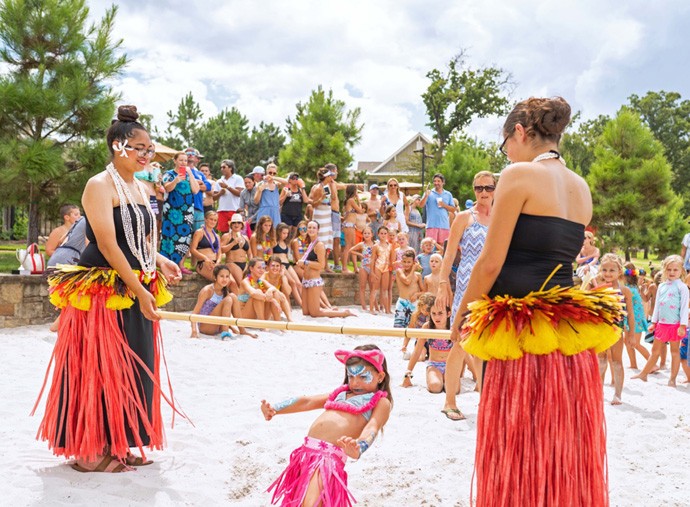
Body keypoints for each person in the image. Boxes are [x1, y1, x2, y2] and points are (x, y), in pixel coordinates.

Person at [454, 97, 623, 505]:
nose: (505, 156)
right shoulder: (580, 187)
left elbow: (490, 263)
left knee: (515, 450)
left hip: (521, 334)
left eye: (505, 145)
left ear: (519, 133)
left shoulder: (518, 174)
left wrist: (461, 317)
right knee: (562, 451)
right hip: (567, 332)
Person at [34, 105, 182, 473]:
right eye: (141, 148)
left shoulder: (141, 186)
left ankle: (119, 441)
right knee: (100, 366)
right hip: (104, 285)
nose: (148, 155)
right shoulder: (98, 185)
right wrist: (139, 287)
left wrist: (159, 260)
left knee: (133, 363)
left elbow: (139, 239)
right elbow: (109, 242)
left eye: (150, 149)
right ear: (119, 145)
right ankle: (89, 451)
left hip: (136, 282)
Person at [263, 345, 392, 507]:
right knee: (299, 502)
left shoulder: (380, 402)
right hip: (305, 454)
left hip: (328, 458)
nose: (355, 382)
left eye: (363, 377)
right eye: (351, 376)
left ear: (380, 377)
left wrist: (359, 446)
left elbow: (372, 426)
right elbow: (307, 401)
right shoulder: (340, 394)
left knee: (311, 503)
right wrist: (275, 409)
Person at [436, 170, 494, 419]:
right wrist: (442, 283)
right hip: (467, 286)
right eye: (478, 188)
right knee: (460, 342)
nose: (483, 193)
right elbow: (449, 254)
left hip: (494, 287)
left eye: (488, 188)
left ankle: (486, 400)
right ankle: (450, 401)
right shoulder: (463, 217)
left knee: (487, 346)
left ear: (495, 189)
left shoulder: (502, 216)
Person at [633, 254, 689, 387]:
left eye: (675, 270)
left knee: (674, 352)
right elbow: (657, 305)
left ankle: (672, 379)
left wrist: (682, 325)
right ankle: (644, 374)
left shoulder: (682, 288)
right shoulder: (662, 286)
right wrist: (653, 322)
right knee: (655, 350)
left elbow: (684, 308)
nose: (672, 272)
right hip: (661, 324)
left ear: (681, 271)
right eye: (669, 269)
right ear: (664, 270)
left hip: (675, 325)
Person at [295, 220, 356, 318]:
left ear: (318, 230)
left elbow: (321, 265)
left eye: (314, 228)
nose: (311, 230)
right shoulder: (310, 244)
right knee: (305, 312)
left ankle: (344, 313)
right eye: (309, 227)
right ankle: (330, 310)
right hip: (306, 280)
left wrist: (306, 262)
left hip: (314, 281)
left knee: (315, 313)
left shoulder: (319, 245)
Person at [595, 253, 634, 405]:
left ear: (619, 271)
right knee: (601, 360)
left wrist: (630, 334)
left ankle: (617, 394)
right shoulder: (598, 288)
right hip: (600, 330)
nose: (608, 273)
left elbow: (630, 315)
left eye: (612, 270)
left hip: (617, 330)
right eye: (604, 270)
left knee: (617, 361)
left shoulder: (624, 291)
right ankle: (598, 392)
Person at [190, 265, 255, 339]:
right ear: (215, 277)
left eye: (227, 276)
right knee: (229, 298)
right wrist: (194, 331)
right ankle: (225, 332)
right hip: (205, 327)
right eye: (222, 276)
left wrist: (232, 328)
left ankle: (242, 330)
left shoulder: (225, 291)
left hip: (217, 327)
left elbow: (224, 313)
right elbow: (195, 313)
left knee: (233, 296)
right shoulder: (207, 291)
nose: (225, 279)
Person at [161, 151, 200, 274]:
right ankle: (167, 264)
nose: (183, 162)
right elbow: (167, 188)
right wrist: (176, 180)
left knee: (185, 237)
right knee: (170, 236)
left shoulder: (189, 174)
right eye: (181, 160)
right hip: (172, 211)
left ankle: (181, 265)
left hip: (186, 211)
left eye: (185, 160)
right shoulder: (169, 174)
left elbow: (195, 190)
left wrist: (190, 173)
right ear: (175, 160)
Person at [402, 304, 453, 396]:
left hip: (451, 364)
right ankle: (435, 377)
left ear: (448, 313)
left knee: (453, 389)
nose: (436, 317)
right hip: (434, 364)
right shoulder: (427, 326)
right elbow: (417, 351)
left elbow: (464, 352)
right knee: (435, 387)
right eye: (433, 313)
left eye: (440, 313)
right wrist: (407, 375)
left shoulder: (453, 326)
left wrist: (476, 377)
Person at [622, 262, 651, 370]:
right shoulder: (632, 287)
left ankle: (652, 364)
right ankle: (633, 364)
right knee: (627, 341)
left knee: (636, 343)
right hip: (632, 319)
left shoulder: (628, 289)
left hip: (635, 320)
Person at [309, 167, 336, 269]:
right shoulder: (317, 188)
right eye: (329, 176)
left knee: (327, 241)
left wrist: (332, 186)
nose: (331, 177)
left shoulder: (326, 187)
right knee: (320, 240)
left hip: (327, 216)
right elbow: (313, 204)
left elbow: (333, 198)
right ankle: (320, 264)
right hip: (320, 216)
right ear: (325, 177)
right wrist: (321, 198)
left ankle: (325, 265)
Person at [419, 173, 455, 244]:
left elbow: (453, 209)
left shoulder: (448, 194)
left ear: (443, 182)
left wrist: (444, 205)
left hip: (444, 225)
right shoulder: (429, 193)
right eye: (435, 181)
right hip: (431, 225)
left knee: (442, 248)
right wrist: (426, 196)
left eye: (438, 181)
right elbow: (421, 205)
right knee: (430, 246)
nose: (436, 183)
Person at [273, 223, 303, 306]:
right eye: (284, 233)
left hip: (287, 264)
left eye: (287, 233)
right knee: (292, 282)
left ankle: (305, 303)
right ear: (278, 232)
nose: (286, 235)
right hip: (281, 264)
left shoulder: (285, 243)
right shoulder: (274, 242)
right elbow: (271, 255)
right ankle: (301, 303)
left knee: (299, 284)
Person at [189, 210, 223, 283]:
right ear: (205, 219)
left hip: (215, 263)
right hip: (203, 262)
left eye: (215, 220)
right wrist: (205, 258)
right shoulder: (199, 232)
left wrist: (218, 262)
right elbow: (192, 249)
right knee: (219, 280)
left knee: (232, 282)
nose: (213, 222)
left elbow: (219, 253)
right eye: (211, 219)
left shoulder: (217, 236)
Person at [184, 147, 212, 231]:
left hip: (198, 207)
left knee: (198, 235)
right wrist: (198, 183)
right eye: (188, 154)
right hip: (184, 208)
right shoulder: (179, 171)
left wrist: (193, 184)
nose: (190, 155)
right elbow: (183, 185)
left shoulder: (200, 173)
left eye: (193, 154)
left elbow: (208, 187)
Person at [393, 250, 424, 328]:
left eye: (409, 262)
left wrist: (417, 294)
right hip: (402, 303)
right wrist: (413, 269)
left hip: (413, 304)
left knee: (413, 327)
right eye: (404, 262)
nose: (406, 264)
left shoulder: (418, 275)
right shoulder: (399, 272)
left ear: (413, 262)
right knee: (398, 328)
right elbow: (407, 281)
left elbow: (424, 291)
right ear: (401, 262)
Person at [213, 159, 244, 234]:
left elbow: (240, 193)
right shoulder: (219, 181)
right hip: (222, 210)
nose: (222, 169)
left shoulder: (238, 178)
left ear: (230, 168)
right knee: (224, 233)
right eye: (221, 167)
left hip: (234, 209)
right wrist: (220, 193)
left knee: (236, 232)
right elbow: (214, 198)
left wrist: (227, 187)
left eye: (224, 167)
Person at [221, 213, 251, 290]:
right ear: (231, 225)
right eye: (234, 222)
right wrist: (233, 243)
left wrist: (251, 264)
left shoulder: (245, 237)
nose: (236, 224)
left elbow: (249, 253)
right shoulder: (227, 236)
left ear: (242, 225)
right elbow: (221, 250)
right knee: (242, 285)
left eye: (238, 222)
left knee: (248, 285)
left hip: (245, 264)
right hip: (233, 263)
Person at [349, 226, 376, 311]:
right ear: (362, 235)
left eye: (368, 233)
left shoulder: (375, 244)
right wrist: (360, 254)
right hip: (364, 267)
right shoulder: (362, 244)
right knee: (362, 287)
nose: (367, 235)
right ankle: (364, 306)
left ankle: (374, 305)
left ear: (372, 234)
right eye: (365, 233)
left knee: (373, 287)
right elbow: (351, 250)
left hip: (373, 268)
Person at [280, 172, 310, 238]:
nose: (295, 180)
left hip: (297, 215)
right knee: (287, 234)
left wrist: (303, 187)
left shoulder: (300, 190)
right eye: (293, 178)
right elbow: (279, 202)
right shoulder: (286, 189)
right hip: (287, 215)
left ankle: (294, 247)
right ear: (289, 180)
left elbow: (306, 200)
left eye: (297, 178)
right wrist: (285, 195)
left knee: (296, 234)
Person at [369, 226, 392, 314]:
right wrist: (372, 272)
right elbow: (373, 259)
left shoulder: (390, 246)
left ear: (387, 234)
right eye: (381, 233)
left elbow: (391, 258)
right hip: (378, 267)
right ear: (378, 234)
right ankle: (371, 309)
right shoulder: (376, 246)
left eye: (385, 233)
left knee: (385, 290)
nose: (383, 235)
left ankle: (387, 309)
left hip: (386, 268)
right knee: (375, 289)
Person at [341, 184, 363, 273]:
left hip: (351, 225)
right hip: (349, 225)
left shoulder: (350, 201)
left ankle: (355, 268)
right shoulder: (351, 200)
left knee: (353, 247)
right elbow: (361, 211)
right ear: (354, 191)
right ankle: (344, 268)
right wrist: (358, 199)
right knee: (348, 247)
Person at [254, 162, 282, 228]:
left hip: (275, 212)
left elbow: (286, 182)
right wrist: (260, 191)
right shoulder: (261, 184)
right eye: (270, 173)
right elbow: (256, 201)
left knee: (275, 232)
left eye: (274, 173)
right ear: (266, 172)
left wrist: (273, 178)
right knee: (262, 232)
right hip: (264, 210)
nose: (272, 175)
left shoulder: (277, 184)